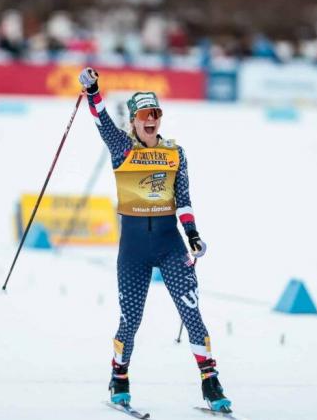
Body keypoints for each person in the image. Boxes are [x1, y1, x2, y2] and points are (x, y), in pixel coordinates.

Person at [77, 68, 232, 413]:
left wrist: (192, 234)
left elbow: (185, 198)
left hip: (169, 244)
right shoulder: (121, 148)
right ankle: (119, 375)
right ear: (133, 121)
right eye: (145, 115)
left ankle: (210, 380)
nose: (151, 121)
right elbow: (101, 119)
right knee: (130, 320)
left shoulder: (176, 153)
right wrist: (93, 91)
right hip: (133, 250)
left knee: (192, 312)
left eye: (156, 114)